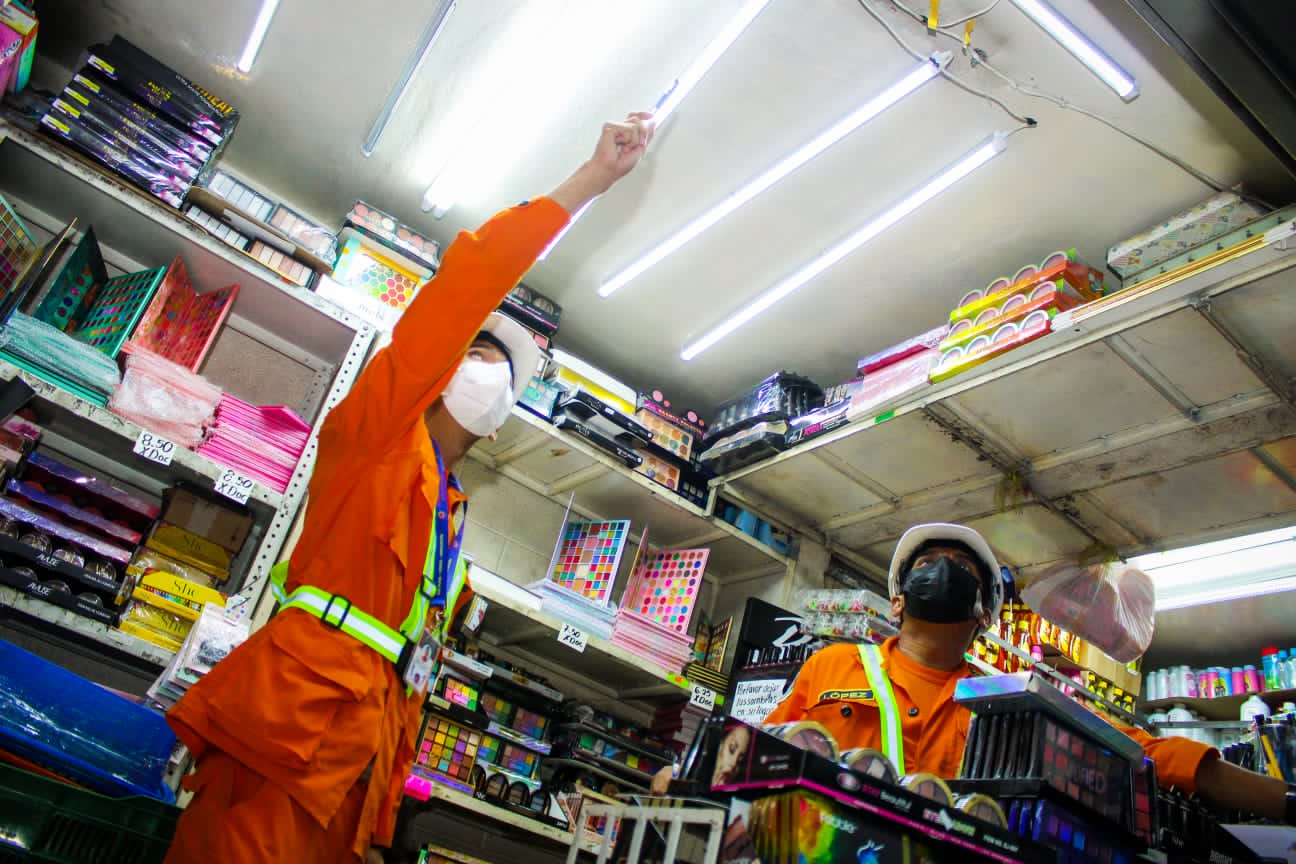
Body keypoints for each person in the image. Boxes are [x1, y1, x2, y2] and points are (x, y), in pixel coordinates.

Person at [163, 112, 656, 864]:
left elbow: (416, 660)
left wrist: (382, 804)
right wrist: (590, 180)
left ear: (503, 422)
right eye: (479, 352)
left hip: (359, 769)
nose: (490, 372)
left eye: (508, 375)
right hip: (282, 740)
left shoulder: (452, 516)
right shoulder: (378, 434)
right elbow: (464, 289)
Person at [759, 522, 1295, 821]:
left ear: (984, 616)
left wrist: (1286, 801)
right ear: (897, 602)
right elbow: (761, 750)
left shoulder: (1004, 698)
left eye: (963, 571)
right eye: (926, 565)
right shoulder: (833, 665)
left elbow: (1144, 752)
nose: (943, 572)